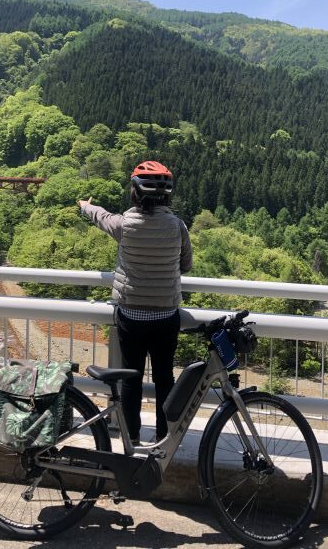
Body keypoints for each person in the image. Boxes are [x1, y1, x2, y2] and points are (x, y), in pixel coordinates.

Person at [77, 160, 192, 444]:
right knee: (165, 379)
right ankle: (165, 439)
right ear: (166, 196)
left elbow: (101, 216)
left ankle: (133, 439)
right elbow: (186, 265)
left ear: (135, 193)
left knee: (131, 379)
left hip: (131, 315)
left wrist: (84, 206)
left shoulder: (124, 224)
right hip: (166, 315)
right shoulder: (178, 226)